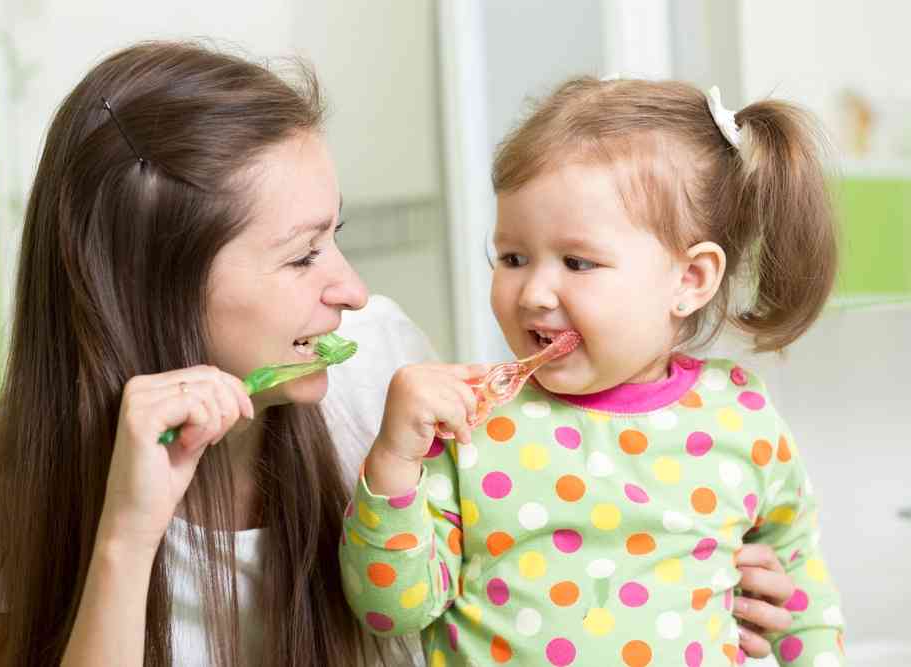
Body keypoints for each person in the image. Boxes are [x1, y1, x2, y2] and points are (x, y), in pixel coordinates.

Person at [0, 43, 798, 667]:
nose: (347, 286)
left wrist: (682, 561)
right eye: (303, 255)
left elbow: (521, 552)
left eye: (333, 236)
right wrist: (127, 534)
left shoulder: (379, 368)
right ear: (155, 286)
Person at [340, 76, 845, 667]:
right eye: (512, 258)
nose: (533, 292)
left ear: (690, 280)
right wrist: (394, 462)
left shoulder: (743, 419)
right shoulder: (473, 419)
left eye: (577, 262)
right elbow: (390, 611)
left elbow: (804, 606)